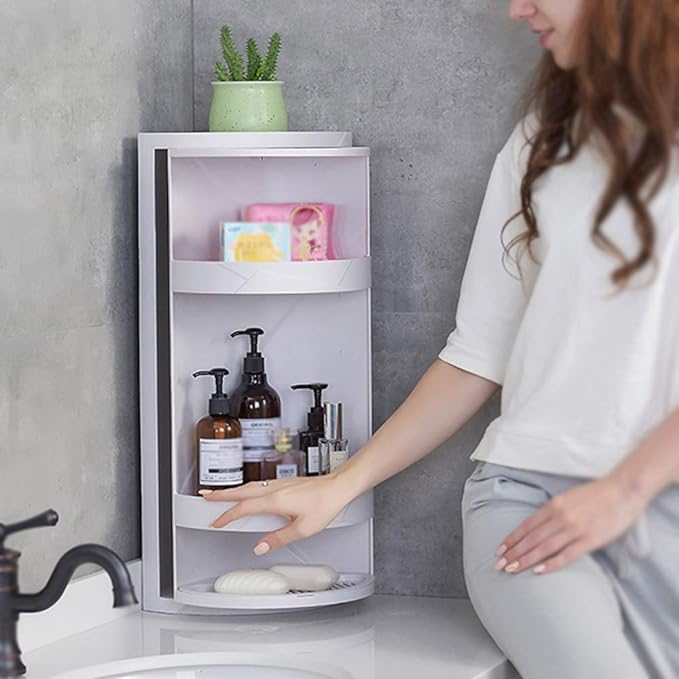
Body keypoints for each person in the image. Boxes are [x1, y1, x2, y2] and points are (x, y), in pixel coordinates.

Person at [199, 2, 679, 676]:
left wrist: (626, 490)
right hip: (529, 502)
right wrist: (338, 485)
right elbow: (475, 355)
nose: (517, 9)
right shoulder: (546, 138)